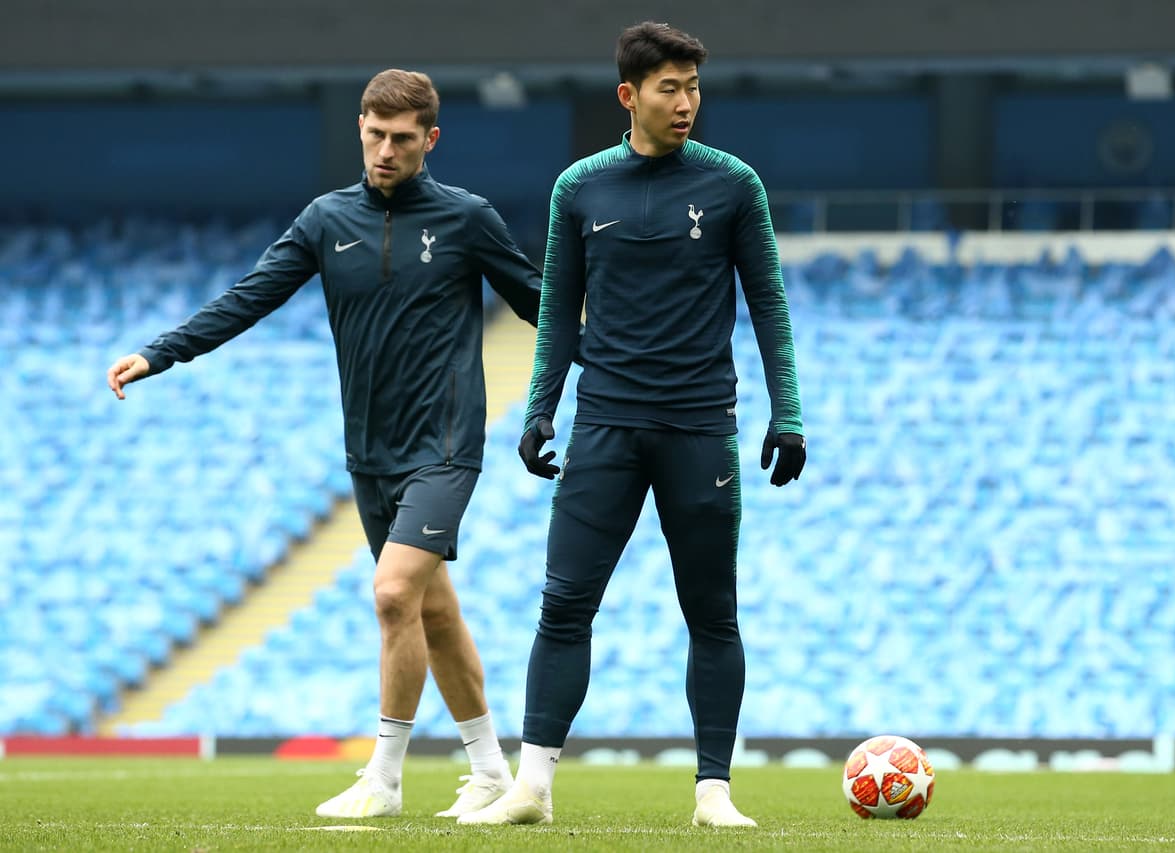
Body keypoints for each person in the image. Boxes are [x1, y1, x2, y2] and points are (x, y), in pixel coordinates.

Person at [106, 69, 540, 819]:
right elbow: (251, 297)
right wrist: (160, 352)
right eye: (375, 135)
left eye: (402, 138)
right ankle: (491, 771)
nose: (385, 150)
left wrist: (618, 361)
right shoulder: (325, 218)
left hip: (444, 444)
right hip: (369, 452)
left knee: (394, 592)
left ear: (430, 140)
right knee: (432, 611)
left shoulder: (467, 219)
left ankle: (384, 778)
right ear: (360, 130)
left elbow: (539, 301)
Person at [459, 22, 806, 829]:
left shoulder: (734, 185)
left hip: (700, 428)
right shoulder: (579, 188)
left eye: (694, 87)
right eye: (669, 88)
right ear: (629, 95)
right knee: (563, 606)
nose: (686, 103)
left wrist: (786, 410)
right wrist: (540, 407)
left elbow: (769, 303)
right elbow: (558, 312)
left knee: (712, 614)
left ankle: (713, 792)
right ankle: (532, 787)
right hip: (606, 426)